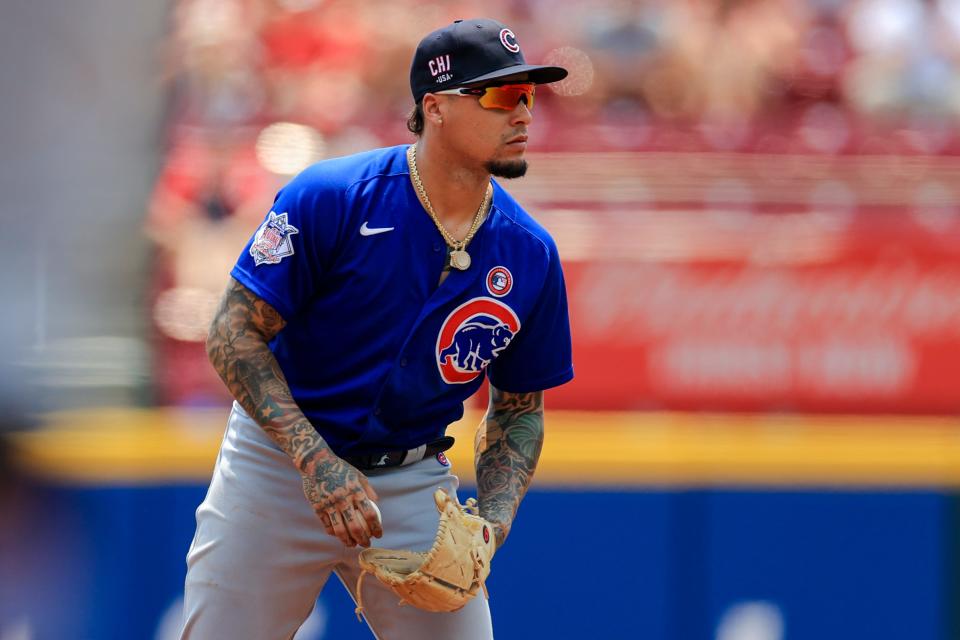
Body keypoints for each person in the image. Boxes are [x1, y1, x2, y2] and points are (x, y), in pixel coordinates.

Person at [179, 17, 573, 640]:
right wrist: (315, 463)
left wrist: (490, 526)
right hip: (278, 468)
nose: (523, 112)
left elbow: (520, 407)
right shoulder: (333, 196)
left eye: (528, 94)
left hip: (413, 482)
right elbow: (233, 334)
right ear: (436, 106)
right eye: (500, 95)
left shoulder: (529, 253)